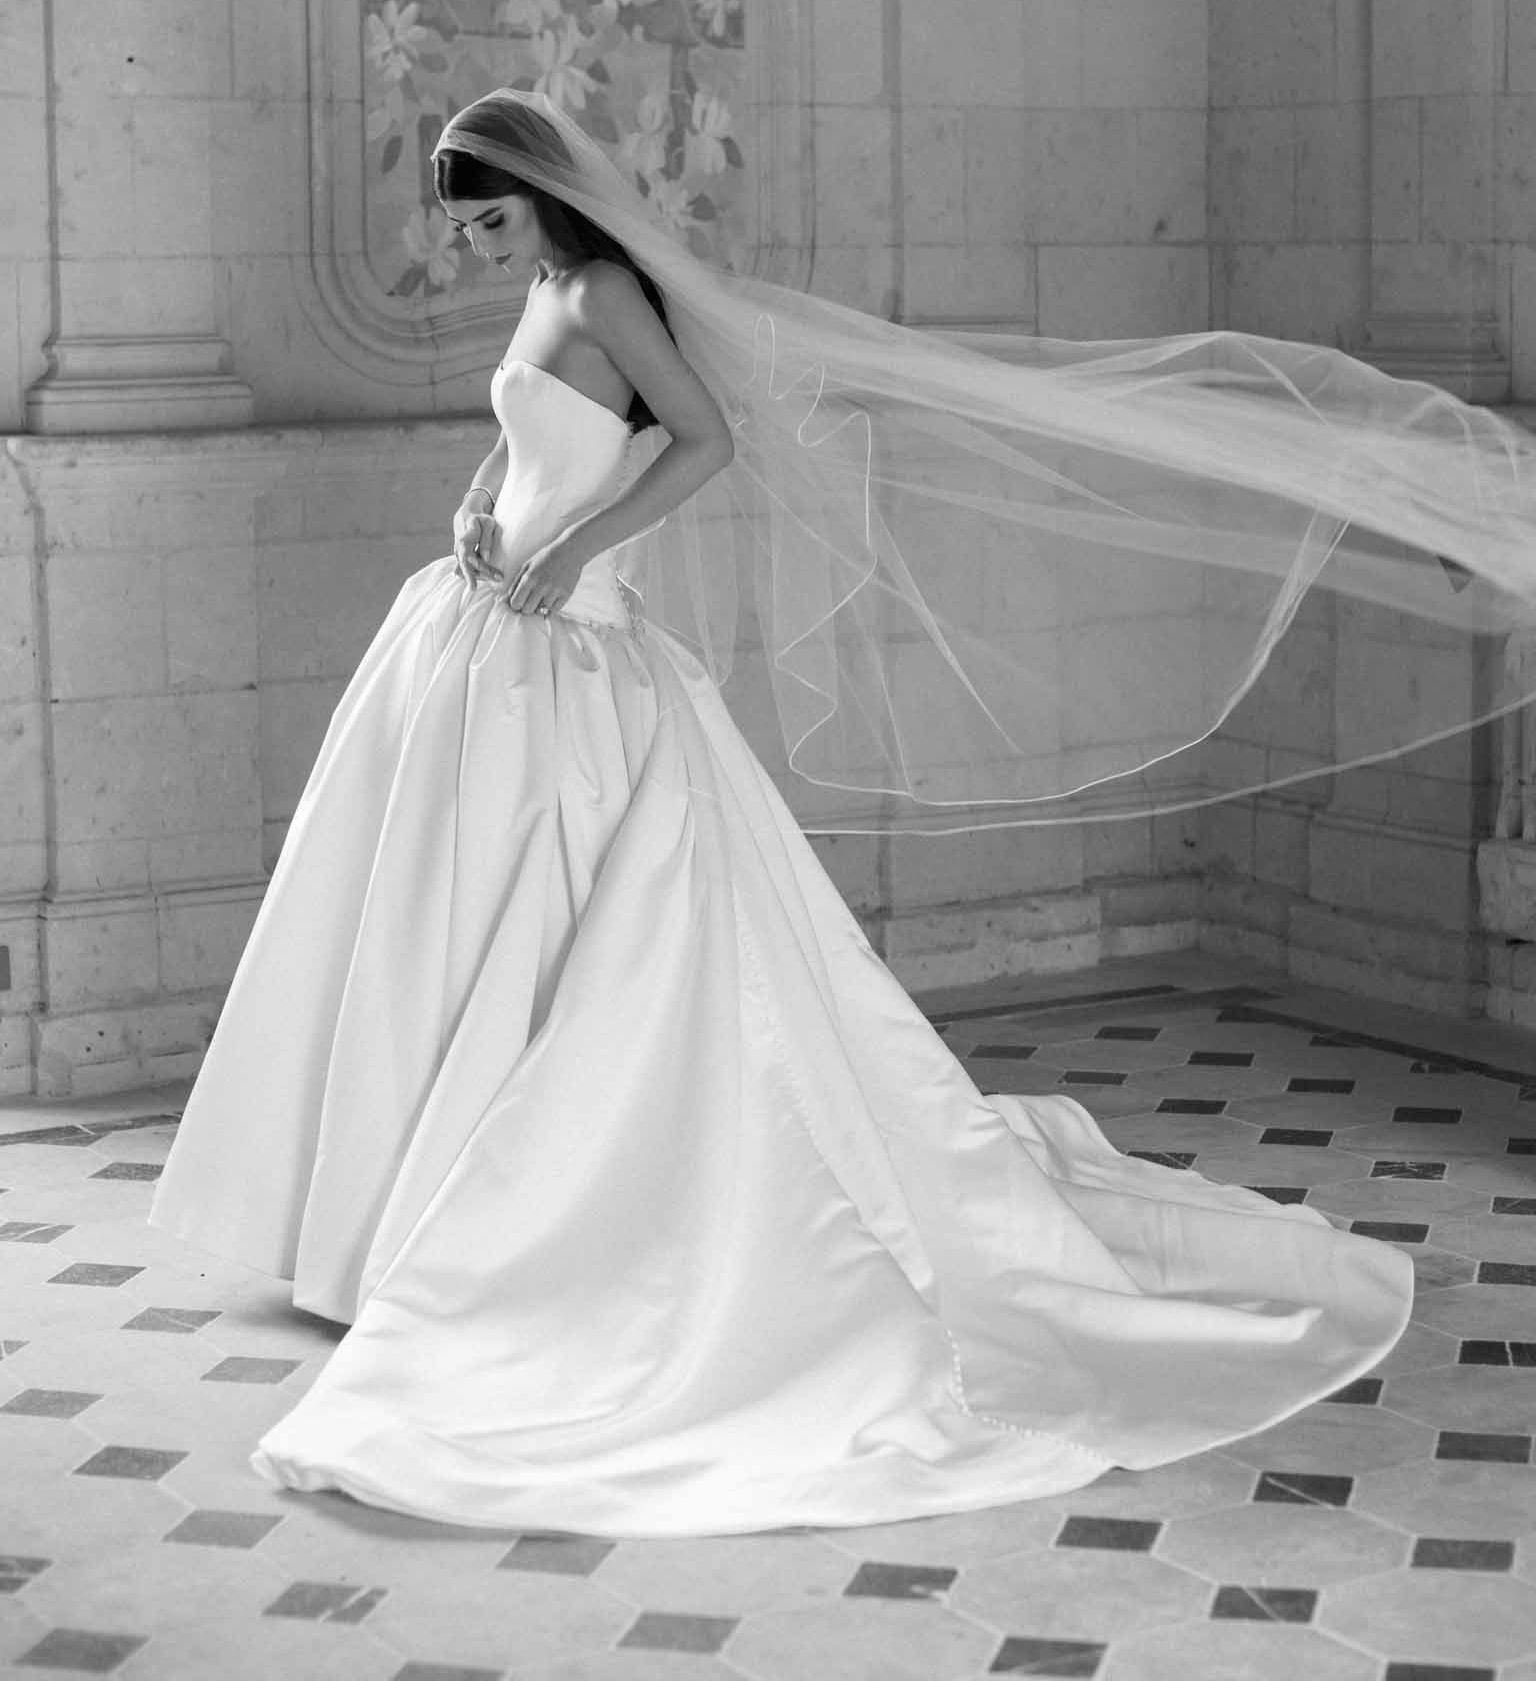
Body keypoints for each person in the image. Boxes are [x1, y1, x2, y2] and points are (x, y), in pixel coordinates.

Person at [152, 84, 1536, 1537]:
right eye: (468, 229)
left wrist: (573, 549)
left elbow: (697, 444)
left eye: (490, 219)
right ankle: (404, 1224)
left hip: (566, 639)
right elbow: (540, 426)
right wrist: (483, 489)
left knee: (576, 937)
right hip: (485, 628)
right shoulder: (558, 282)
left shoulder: (610, 284)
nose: (481, 247)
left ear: (541, 190)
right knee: (456, 921)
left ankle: (541, 1229)